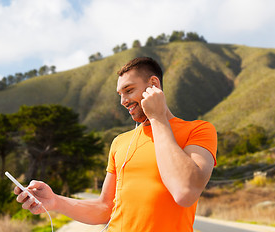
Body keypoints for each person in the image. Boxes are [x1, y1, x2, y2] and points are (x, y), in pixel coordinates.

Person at [14, 57, 217, 232]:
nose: (123, 101)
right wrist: (55, 201)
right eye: (120, 94)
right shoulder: (120, 142)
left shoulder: (199, 130)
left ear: (153, 85)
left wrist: (157, 118)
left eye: (128, 90)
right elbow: (105, 208)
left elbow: (185, 192)